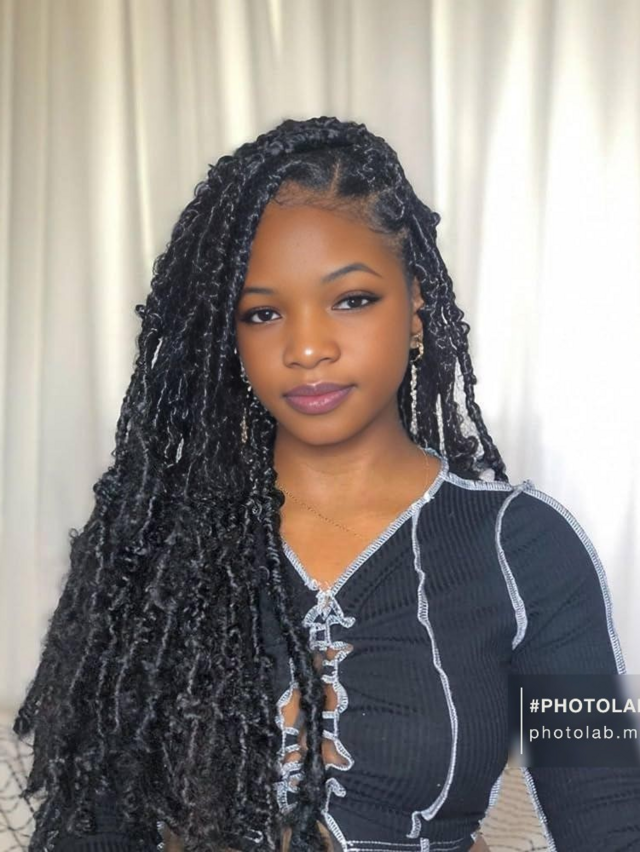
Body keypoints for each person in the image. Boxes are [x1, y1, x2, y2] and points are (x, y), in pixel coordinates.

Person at [12, 116, 640, 852]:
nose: (307, 347)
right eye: (263, 313)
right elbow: (92, 826)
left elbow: (606, 809)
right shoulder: (157, 547)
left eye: (352, 299)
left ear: (416, 308)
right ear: (230, 339)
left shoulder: (527, 547)